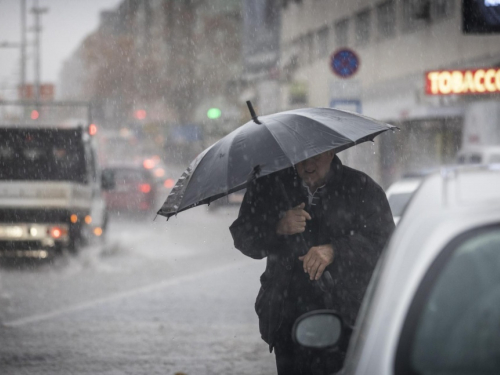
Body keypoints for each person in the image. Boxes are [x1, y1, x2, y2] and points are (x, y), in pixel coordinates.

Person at [229, 150, 395, 375]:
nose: (308, 165)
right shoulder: (270, 186)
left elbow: (385, 244)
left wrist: (336, 250)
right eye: (301, 157)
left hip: (347, 316)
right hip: (287, 315)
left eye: (316, 156)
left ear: (332, 151)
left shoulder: (362, 187)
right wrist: (277, 227)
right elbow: (243, 237)